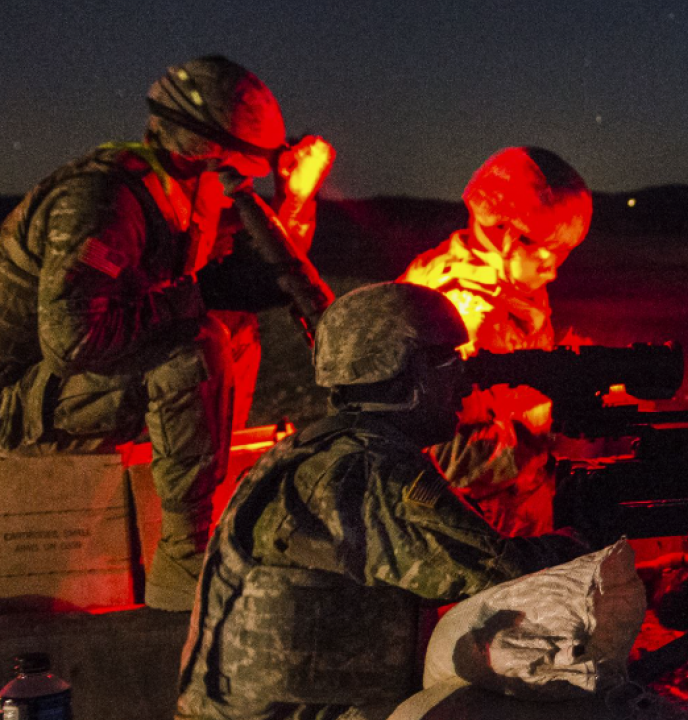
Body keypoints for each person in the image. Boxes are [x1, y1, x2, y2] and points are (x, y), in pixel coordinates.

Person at [0, 55, 332, 611]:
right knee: (195, 344)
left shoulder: (180, 192)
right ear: (209, 149)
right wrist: (200, 293)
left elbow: (274, 264)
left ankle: (198, 504)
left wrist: (294, 197)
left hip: (64, 387)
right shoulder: (102, 199)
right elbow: (74, 342)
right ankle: (183, 560)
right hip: (16, 401)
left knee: (234, 331)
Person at [175, 282, 590, 720]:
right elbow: (505, 575)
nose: (465, 383)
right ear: (406, 371)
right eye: (447, 361)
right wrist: (585, 538)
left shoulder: (313, 453)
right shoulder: (372, 471)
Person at [400, 147, 592, 536]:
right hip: (470, 531)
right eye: (545, 255)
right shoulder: (452, 313)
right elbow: (447, 464)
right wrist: (549, 421)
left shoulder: (511, 286)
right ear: (500, 233)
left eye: (562, 256)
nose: (552, 272)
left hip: (516, 512)